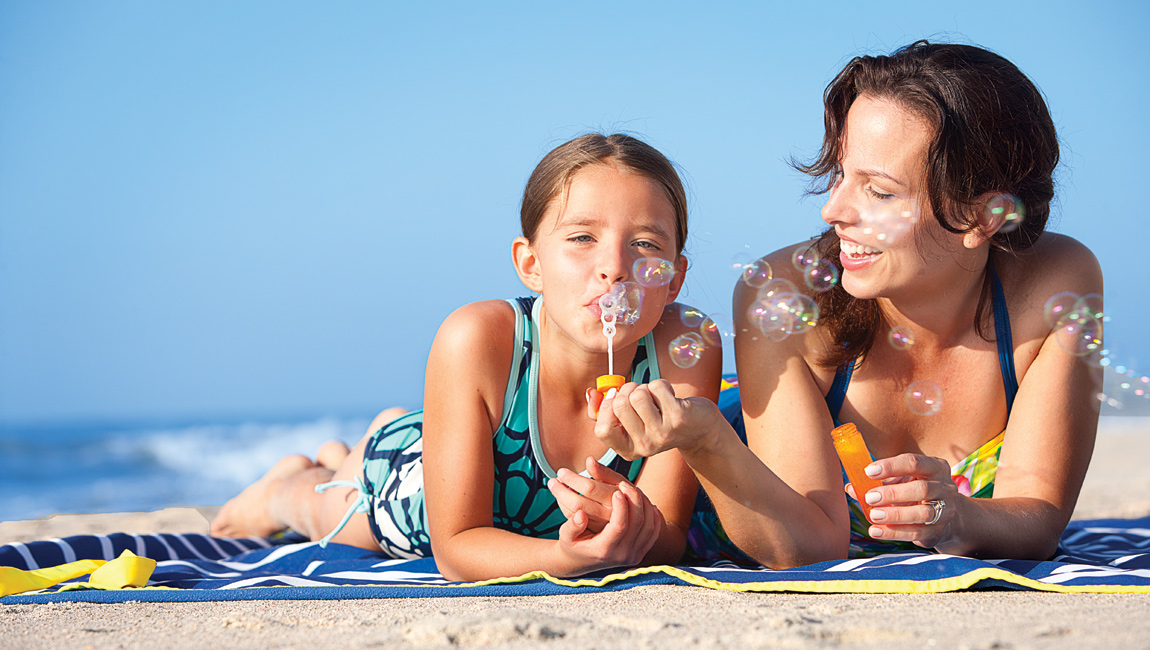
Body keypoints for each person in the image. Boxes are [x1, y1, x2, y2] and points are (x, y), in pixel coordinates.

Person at [593, 41, 1102, 567]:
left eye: (879, 192)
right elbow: (804, 551)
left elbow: (1037, 521)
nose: (833, 210)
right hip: (739, 495)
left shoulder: (1052, 284)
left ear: (983, 217)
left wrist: (959, 518)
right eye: (840, 173)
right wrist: (703, 441)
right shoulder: (787, 293)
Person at [210, 133, 722, 581]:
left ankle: (371, 441)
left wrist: (635, 529)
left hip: (469, 458)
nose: (613, 267)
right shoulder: (477, 338)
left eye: (645, 243)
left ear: (674, 278)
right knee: (348, 518)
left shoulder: (688, 344)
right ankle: (287, 487)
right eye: (582, 238)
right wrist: (570, 559)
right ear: (530, 263)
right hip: (420, 491)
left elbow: (670, 534)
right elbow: (455, 549)